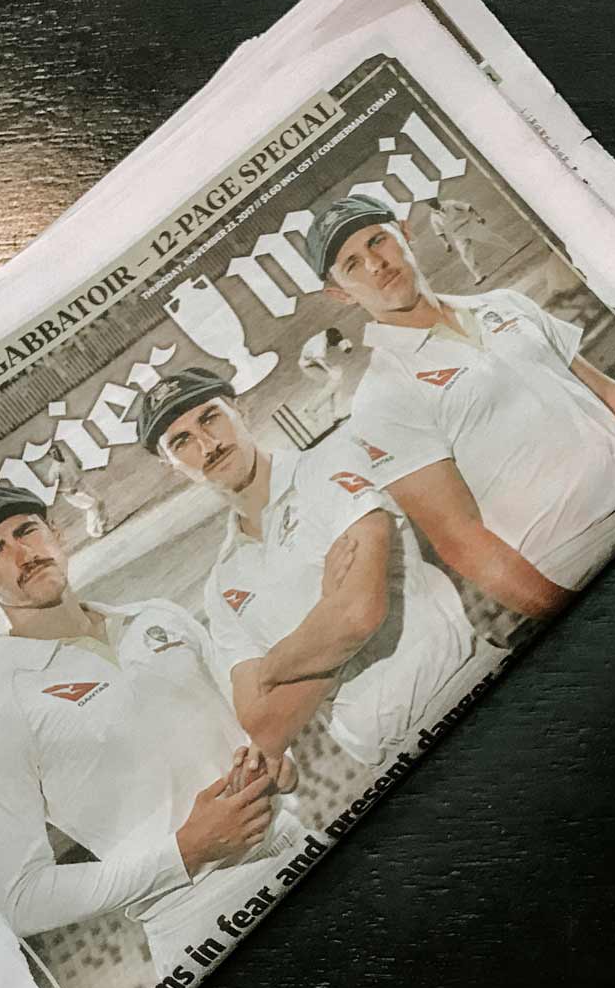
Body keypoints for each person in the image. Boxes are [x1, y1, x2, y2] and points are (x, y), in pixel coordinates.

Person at [0, 486, 305, 973]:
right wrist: (183, 852)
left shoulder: (157, 616)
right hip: (199, 915)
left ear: (58, 533)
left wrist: (280, 761)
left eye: (26, 531)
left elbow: (256, 727)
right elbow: (21, 899)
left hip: (297, 843)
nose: (22, 555)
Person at [306, 194, 615, 600]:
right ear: (341, 294)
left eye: (377, 240)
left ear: (406, 232)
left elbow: (606, 393)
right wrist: (565, 610)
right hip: (582, 559)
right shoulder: (380, 397)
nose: (375, 264)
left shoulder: (503, 303)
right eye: (352, 264)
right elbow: (459, 540)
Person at [140, 368, 478, 768]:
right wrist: (327, 609)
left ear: (239, 409)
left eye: (210, 417)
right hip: (388, 767)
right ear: (170, 464)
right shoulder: (222, 584)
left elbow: (357, 615)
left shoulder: (329, 464)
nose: (208, 444)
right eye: (182, 442)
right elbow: (264, 726)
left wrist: (270, 670)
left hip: (463, 693)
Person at [296, 325, 354, 426]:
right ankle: (311, 409)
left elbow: (335, 338)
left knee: (337, 382)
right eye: (332, 344)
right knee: (334, 383)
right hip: (309, 367)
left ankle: (336, 415)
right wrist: (329, 371)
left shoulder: (326, 335)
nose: (331, 345)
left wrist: (342, 342)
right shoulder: (320, 344)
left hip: (314, 363)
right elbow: (317, 359)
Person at [425, 197, 492, 284]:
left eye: (431, 201)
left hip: (468, 225)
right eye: (428, 203)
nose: (431, 204)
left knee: (491, 238)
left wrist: (478, 217)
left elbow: (467, 207)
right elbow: (439, 232)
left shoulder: (450, 203)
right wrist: (446, 243)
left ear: (436, 199)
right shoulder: (433, 217)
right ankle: (478, 276)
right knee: (465, 255)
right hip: (457, 234)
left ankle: (510, 248)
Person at [48, 443, 108, 539]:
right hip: (72, 493)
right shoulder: (54, 470)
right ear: (50, 456)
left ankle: (103, 525)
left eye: (56, 450)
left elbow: (80, 466)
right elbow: (53, 489)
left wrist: (96, 466)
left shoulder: (68, 459)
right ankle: (92, 531)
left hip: (81, 484)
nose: (56, 454)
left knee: (100, 501)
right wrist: (67, 490)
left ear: (59, 449)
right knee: (92, 505)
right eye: (53, 453)